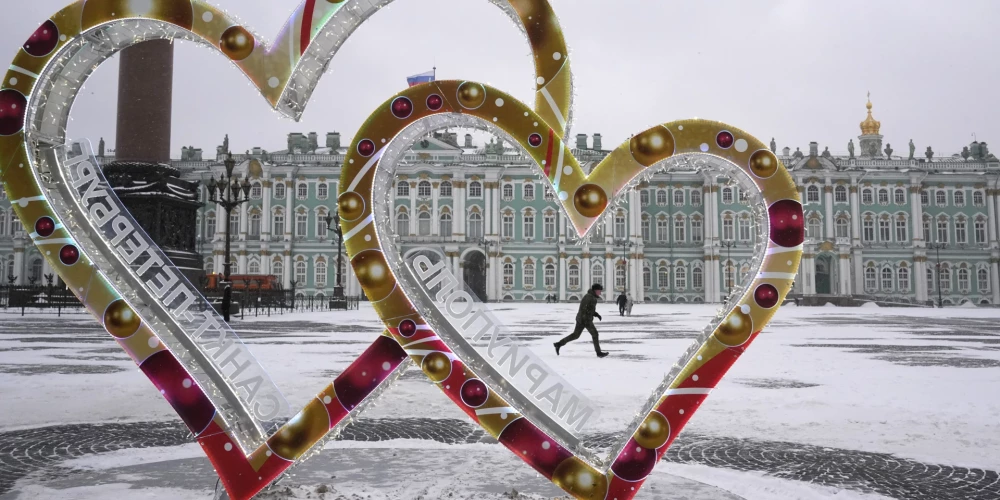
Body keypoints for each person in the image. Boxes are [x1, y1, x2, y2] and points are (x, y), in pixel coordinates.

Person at [554, 284, 608, 358]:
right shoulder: (588, 297)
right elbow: (583, 308)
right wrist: (586, 319)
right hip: (585, 319)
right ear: (595, 290)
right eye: (599, 291)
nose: (600, 293)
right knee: (595, 334)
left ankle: (558, 344)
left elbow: (589, 309)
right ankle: (599, 353)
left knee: (575, 335)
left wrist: (596, 314)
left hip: (582, 319)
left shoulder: (592, 297)